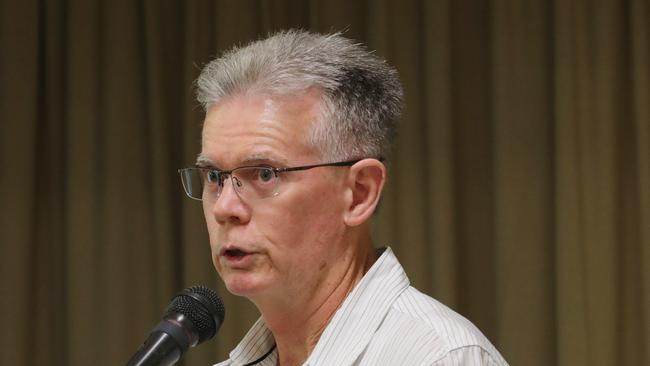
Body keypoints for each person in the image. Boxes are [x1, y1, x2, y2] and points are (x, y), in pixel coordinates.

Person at [178, 30, 508, 366]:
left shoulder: (440, 358)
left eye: (265, 174)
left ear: (359, 194)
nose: (224, 208)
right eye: (214, 177)